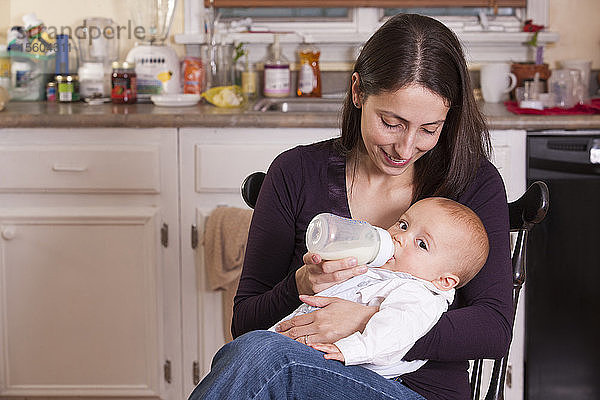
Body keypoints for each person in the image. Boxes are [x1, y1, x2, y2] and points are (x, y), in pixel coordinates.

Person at [189, 12, 512, 400]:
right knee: (260, 353)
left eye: (429, 129)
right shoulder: (296, 173)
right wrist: (299, 286)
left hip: (417, 392)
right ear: (358, 92)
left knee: (269, 358)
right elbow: (245, 323)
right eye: (392, 122)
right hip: (308, 375)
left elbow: (493, 328)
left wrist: (369, 322)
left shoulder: (472, 183)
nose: (406, 149)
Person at [270, 197, 489, 379]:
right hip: (301, 347)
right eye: (403, 225)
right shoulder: (379, 270)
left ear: (444, 281)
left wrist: (348, 350)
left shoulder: (418, 295)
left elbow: (394, 329)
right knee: (253, 351)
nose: (399, 237)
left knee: (260, 356)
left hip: (350, 365)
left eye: (421, 243)